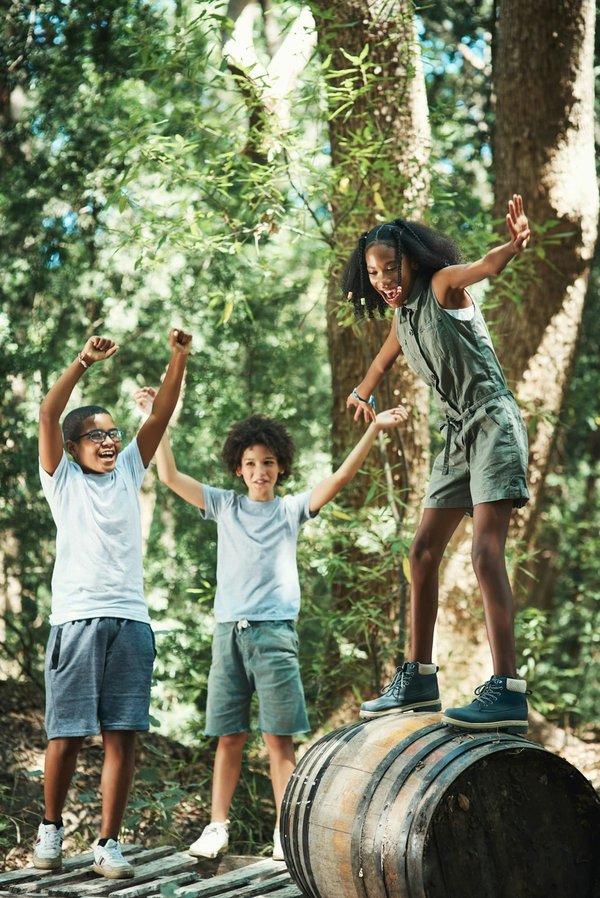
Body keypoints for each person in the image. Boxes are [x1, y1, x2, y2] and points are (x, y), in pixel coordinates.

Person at [135, 387, 407, 860]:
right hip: (229, 636)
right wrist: (159, 417)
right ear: (237, 470)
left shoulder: (289, 510)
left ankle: (286, 834)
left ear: (280, 466)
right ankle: (217, 827)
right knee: (229, 737)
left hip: (275, 636)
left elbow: (340, 477)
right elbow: (170, 474)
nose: (259, 471)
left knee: (279, 740)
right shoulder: (224, 505)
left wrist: (373, 429)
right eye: (250, 463)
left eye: (267, 462)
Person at [344, 194, 531, 734]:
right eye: (374, 273)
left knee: (485, 552)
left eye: (390, 267)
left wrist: (512, 248)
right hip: (457, 434)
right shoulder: (402, 317)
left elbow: (485, 265)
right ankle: (419, 677)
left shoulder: (445, 284)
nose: (383, 279)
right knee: (422, 551)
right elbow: (384, 358)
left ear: (413, 260)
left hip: (492, 420)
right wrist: (363, 391)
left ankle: (507, 689)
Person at [34, 328, 192, 879]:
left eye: (112, 434)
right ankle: (50, 828)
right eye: (94, 436)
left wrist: (178, 356)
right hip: (76, 621)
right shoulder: (62, 482)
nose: (107, 443)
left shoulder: (128, 468)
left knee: (122, 734)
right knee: (67, 733)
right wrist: (82, 361)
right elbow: (49, 412)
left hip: (130, 621)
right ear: (74, 446)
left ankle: (108, 842)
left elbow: (162, 413)